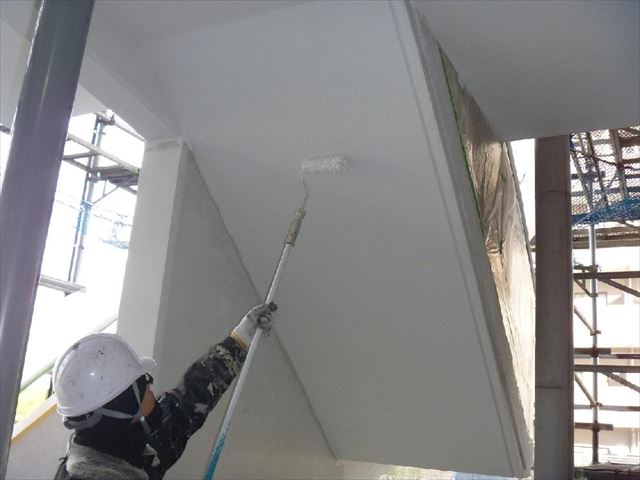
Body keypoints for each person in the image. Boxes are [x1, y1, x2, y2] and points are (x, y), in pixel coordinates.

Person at [52, 303, 276, 480]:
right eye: (144, 385)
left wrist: (241, 338)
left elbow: (186, 402)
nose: (151, 388)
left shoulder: (121, 446)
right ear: (125, 408)